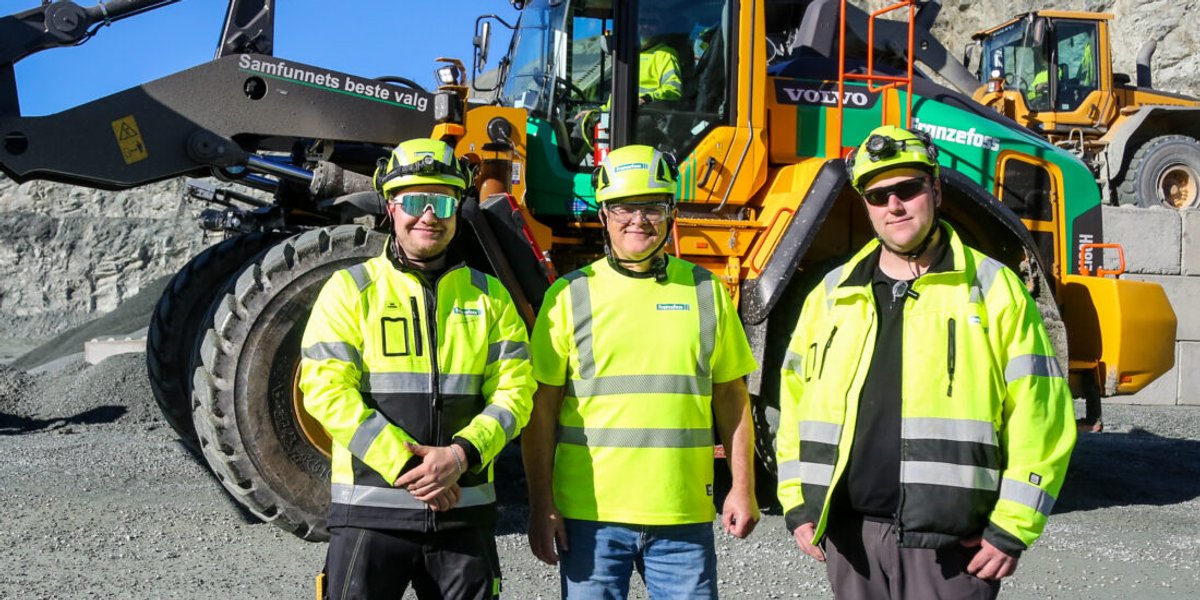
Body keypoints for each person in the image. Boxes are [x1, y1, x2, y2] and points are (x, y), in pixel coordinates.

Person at [776, 126, 1076, 599]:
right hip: (852, 542)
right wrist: (796, 502)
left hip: (952, 552)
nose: (893, 205)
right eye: (878, 195)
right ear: (865, 205)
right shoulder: (831, 294)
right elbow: (793, 406)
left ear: (935, 189)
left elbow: (1042, 418)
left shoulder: (993, 289)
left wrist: (1012, 527)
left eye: (908, 188)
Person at [298, 138, 535, 599]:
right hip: (370, 515)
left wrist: (461, 455)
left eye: (443, 200)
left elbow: (517, 392)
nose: (429, 214)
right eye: (415, 200)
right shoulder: (350, 290)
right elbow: (326, 391)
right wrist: (409, 466)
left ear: (457, 207)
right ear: (391, 207)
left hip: (463, 514)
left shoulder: (490, 297)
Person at [523, 144, 759, 599]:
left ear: (670, 212)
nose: (638, 219)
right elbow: (542, 409)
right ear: (604, 215)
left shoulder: (706, 290)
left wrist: (742, 487)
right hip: (589, 517)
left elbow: (733, 397)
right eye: (624, 208)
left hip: (682, 518)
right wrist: (541, 504)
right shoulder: (569, 296)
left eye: (652, 206)